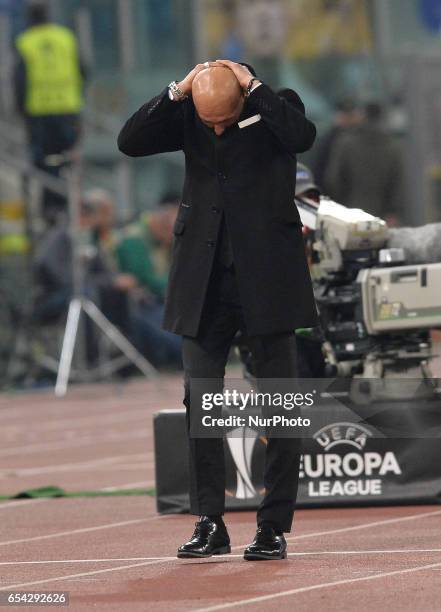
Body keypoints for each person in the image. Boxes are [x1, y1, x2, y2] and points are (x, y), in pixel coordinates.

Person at [118, 60, 317, 560]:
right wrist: (178, 89)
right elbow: (129, 140)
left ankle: (273, 526)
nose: (218, 128)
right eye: (211, 123)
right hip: (202, 281)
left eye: (225, 119)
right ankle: (210, 521)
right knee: (200, 402)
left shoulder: (278, 105)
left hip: (266, 278)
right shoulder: (190, 113)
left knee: (279, 406)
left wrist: (253, 88)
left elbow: (303, 136)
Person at [14, 1, 86, 225]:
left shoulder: (25, 42)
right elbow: (84, 69)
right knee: (66, 160)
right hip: (67, 109)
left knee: (44, 164)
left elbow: (19, 79)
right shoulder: (66, 37)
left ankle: (51, 211)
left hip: (39, 112)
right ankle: (65, 208)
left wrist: (21, 110)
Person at [324, 102, 404, 225]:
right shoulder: (393, 147)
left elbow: (333, 180)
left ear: (362, 116)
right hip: (382, 215)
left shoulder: (345, 143)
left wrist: (339, 204)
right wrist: (393, 211)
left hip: (349, 213)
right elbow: (397, 183)